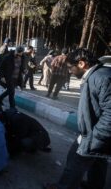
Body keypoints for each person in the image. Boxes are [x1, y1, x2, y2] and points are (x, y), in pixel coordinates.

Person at [44, 48, 111, 189]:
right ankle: (94, 185)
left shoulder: (101, 78)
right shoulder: (96, 75)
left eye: (70, 67)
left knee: (75, 161)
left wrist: (94, 137)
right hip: (97, 134)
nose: (69, 71)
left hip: (95, 135)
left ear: (81, 63)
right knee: (98, 160)